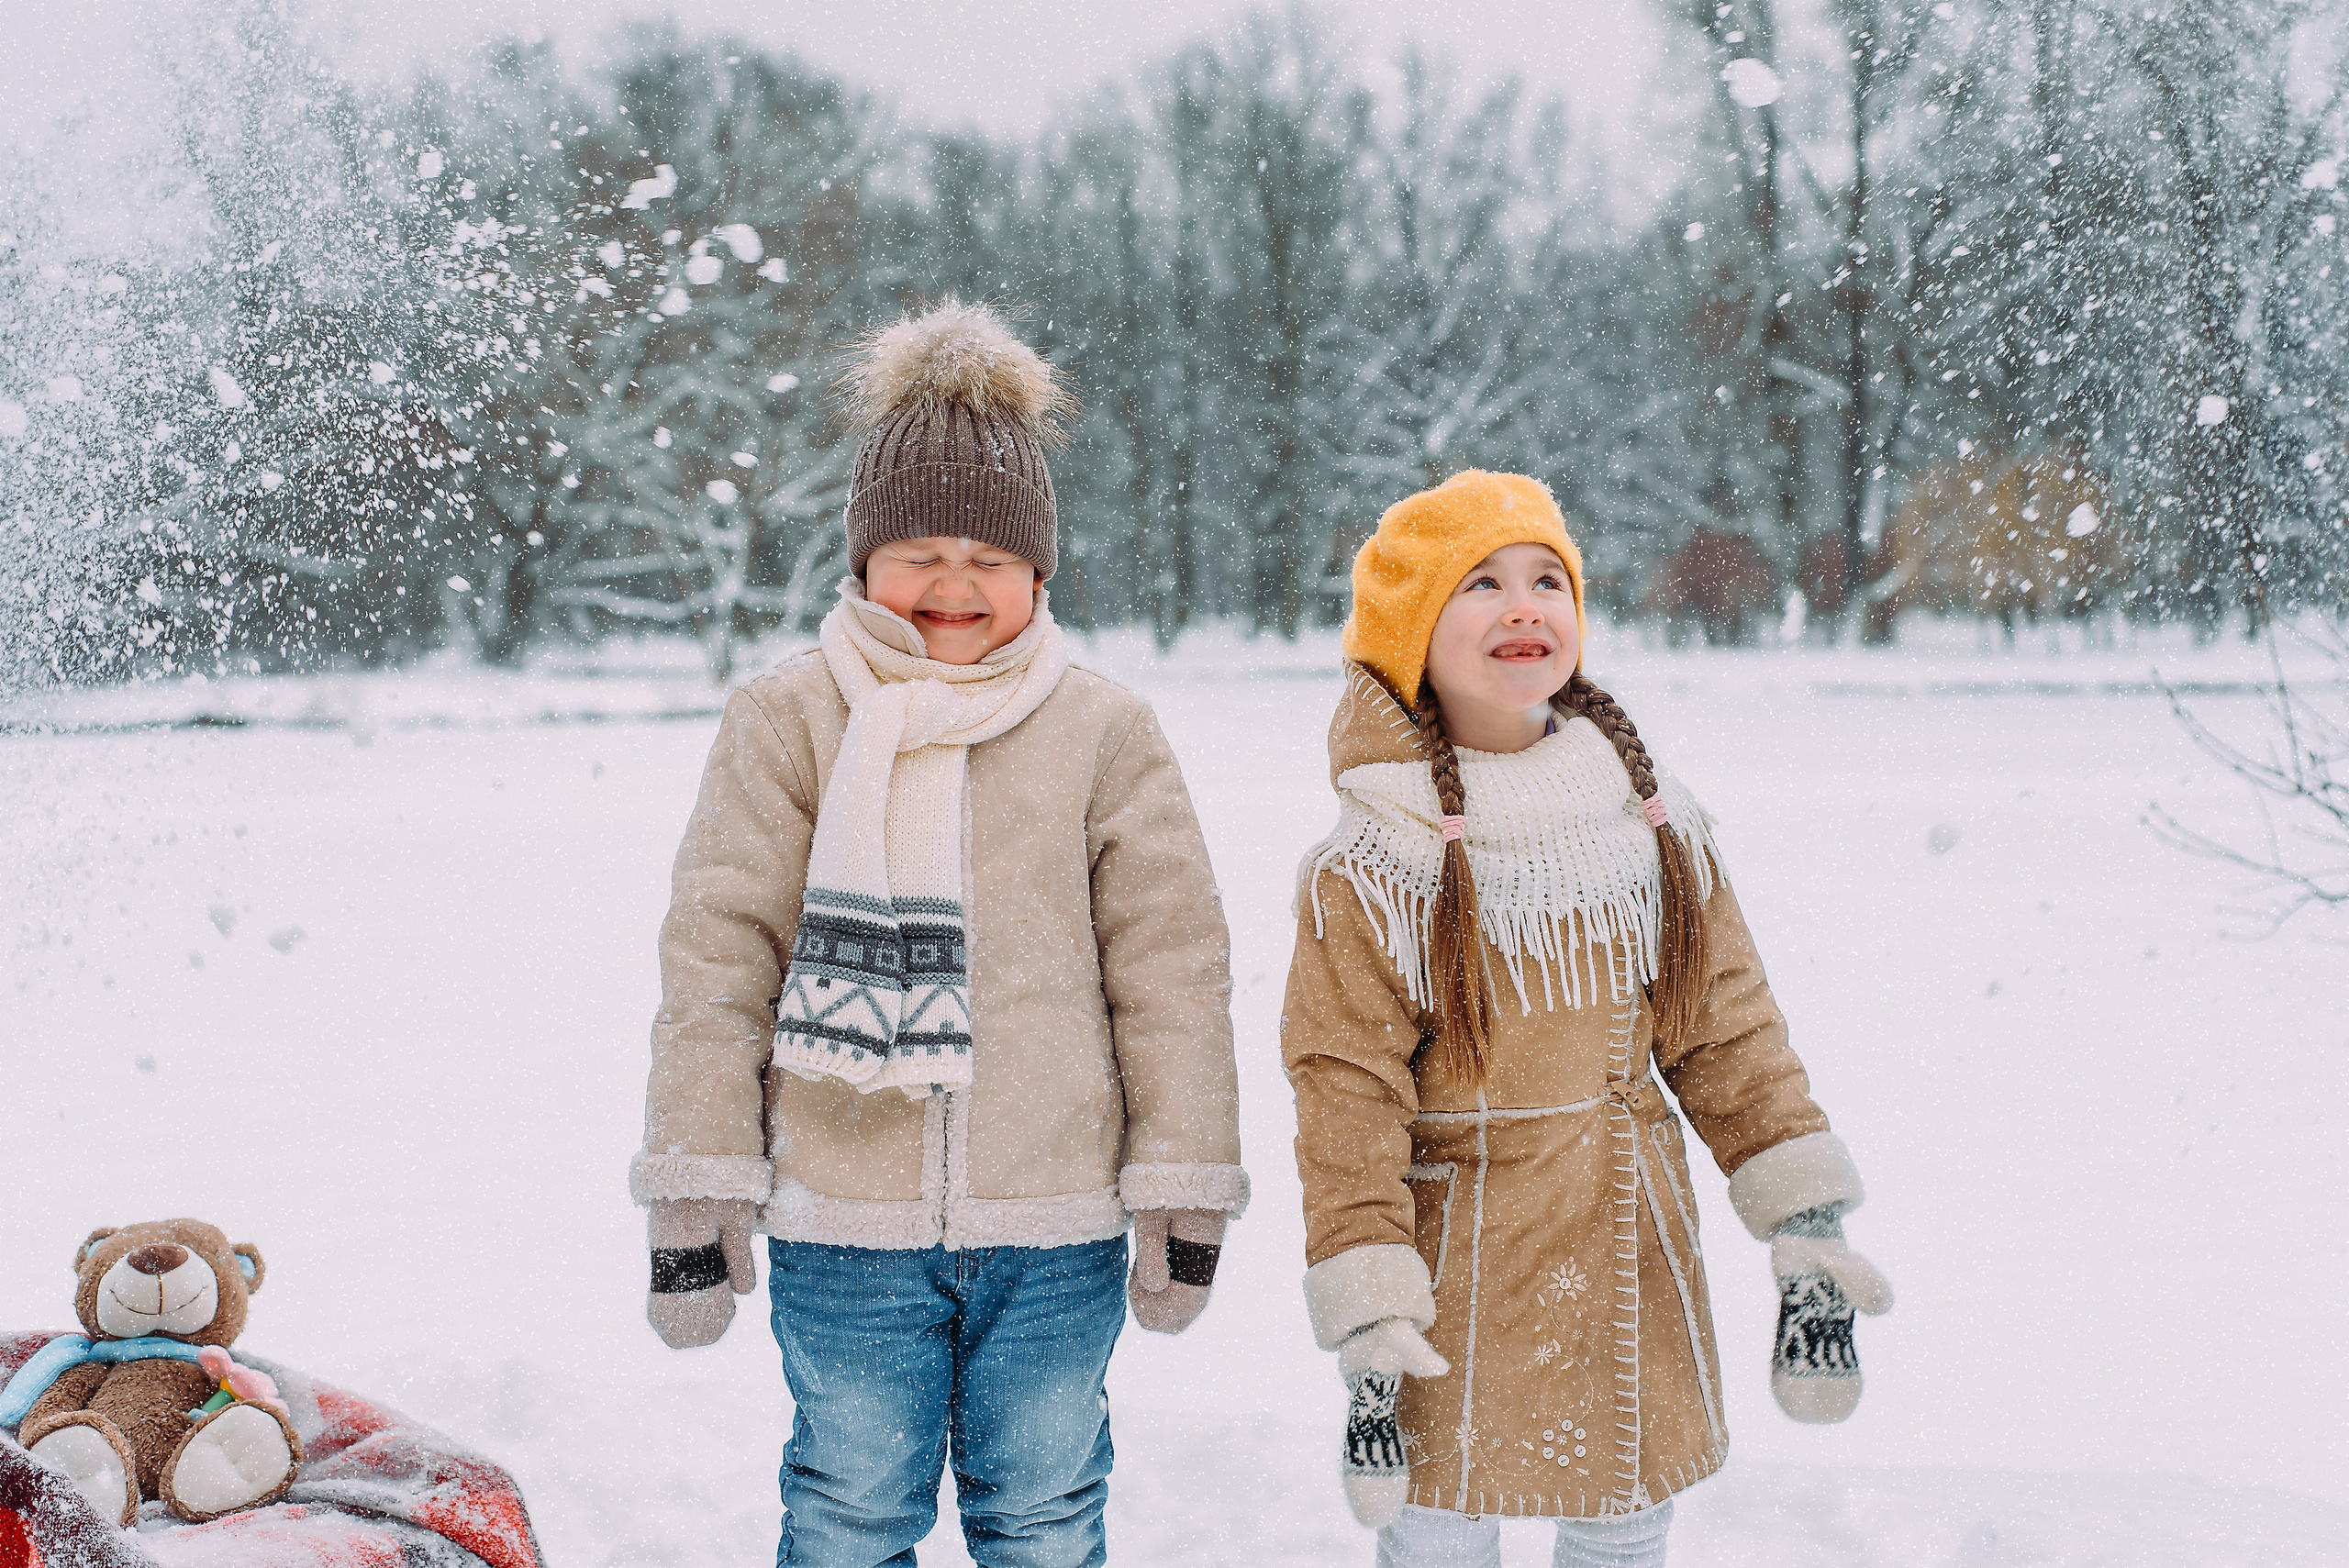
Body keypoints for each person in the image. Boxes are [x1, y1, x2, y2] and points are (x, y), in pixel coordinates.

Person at [627, 299, 1248, 1568]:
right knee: (851, 1508)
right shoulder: (791, 720)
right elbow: (720, 960)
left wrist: (1182, 1183)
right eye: (918, 551)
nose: (954, 586)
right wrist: (696, 1182)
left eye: (989, 556)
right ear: (863, 561)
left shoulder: (1101, 731)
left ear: (1040, 574)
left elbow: (1172, 974)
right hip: (841, 1217)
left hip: (1056, 1219)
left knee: (1044, 1509)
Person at [1281, 472, 1891, 1568]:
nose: (1523, 605)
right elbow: (1346, 1090)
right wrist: (1367, 1287)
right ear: (1410, 631)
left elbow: (1726, 1032)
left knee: (1623, 1510)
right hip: (1456, 1263)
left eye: (1546, 579)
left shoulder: (1649, 820)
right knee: (1440, 1524)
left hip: (1624, 1236)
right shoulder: (1373, 862)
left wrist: (1801, 1214)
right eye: (1480, 583)